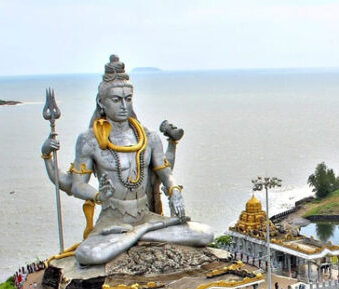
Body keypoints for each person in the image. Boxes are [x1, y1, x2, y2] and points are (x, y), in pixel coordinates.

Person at [40, 55, 212, 265]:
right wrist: (98, 195)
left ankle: (138, 233)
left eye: (128, 99)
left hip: (145, 215)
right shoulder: (90, 140)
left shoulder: (148, 137)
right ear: (101, 102)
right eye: (116, 100)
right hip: (113, 219)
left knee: (205, 234)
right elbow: (76, 185)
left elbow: (166, 174)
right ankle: (143, 234)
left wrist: (175, 191)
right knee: (88, 254)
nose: (124, 105)